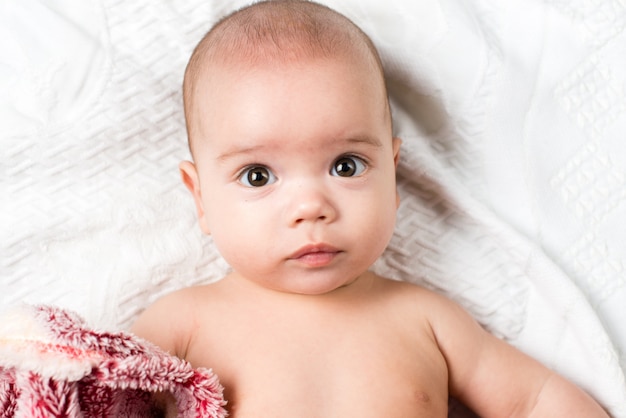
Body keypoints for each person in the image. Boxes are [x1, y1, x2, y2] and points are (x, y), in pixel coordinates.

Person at [131, 1, 609, 416]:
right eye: (258, 176)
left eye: (346, 165)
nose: (310, 207)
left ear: (393, 174)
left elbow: (532, 401)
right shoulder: (181, 325)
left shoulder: (426, 318)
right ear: (201, 199)